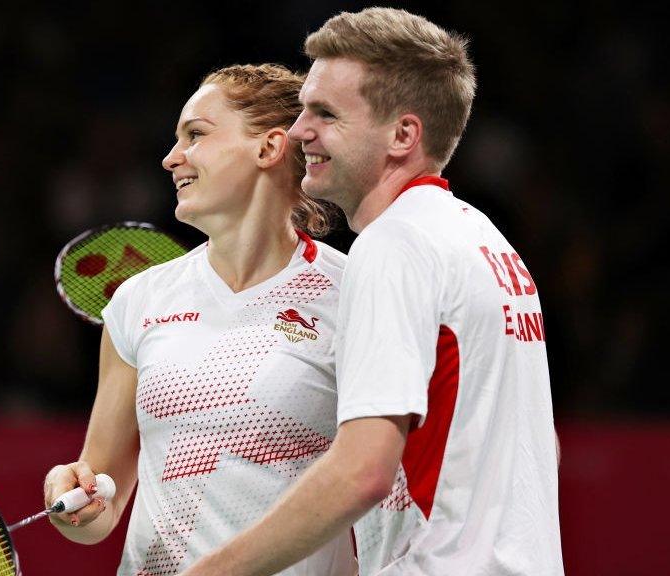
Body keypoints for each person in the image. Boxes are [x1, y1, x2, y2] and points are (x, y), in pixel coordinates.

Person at [183, 8, 564, 576]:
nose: (297, 131)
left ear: (403, 134)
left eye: (326, 114)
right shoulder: (486, 242)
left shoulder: (395, 247)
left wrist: (214, 571)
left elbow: (363, 472)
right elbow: (539, 449)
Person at [42, 64, 357, 576]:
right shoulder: (139, 300)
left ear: (269, 148)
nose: (171, 159)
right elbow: (102, 497)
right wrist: (71, 495)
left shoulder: (352, 295)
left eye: (196, 135)